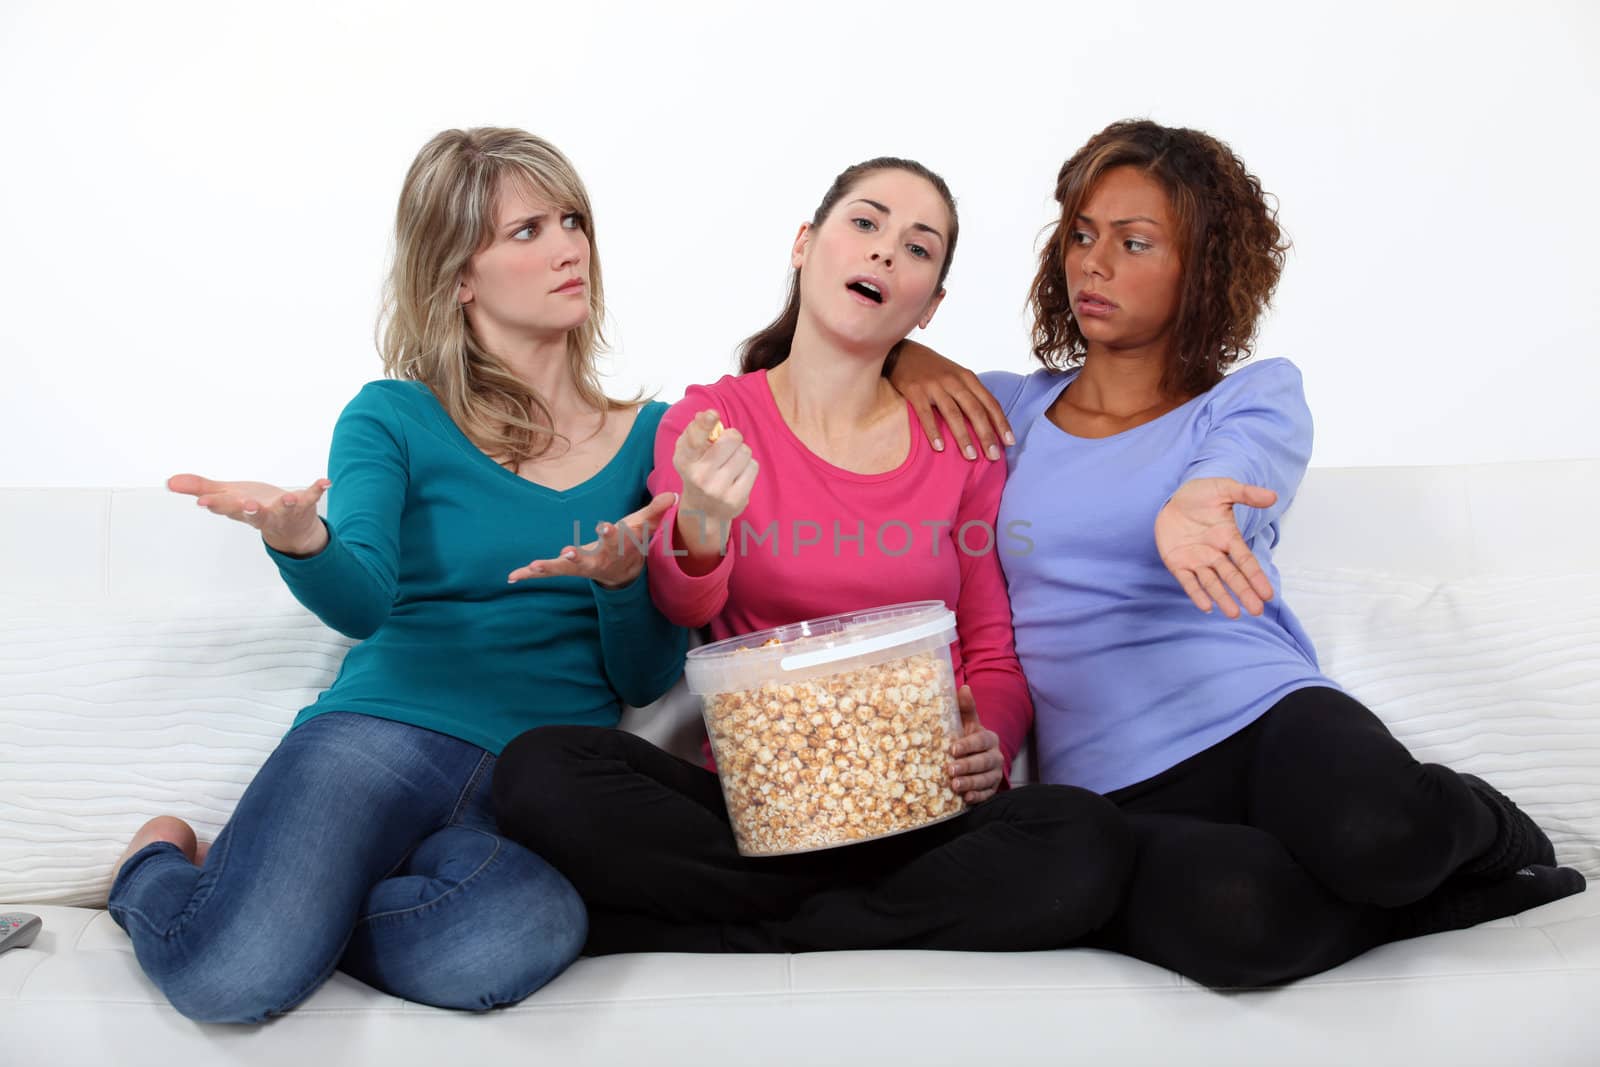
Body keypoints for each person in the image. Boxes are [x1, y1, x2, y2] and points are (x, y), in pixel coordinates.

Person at [886, 118, 1585, 986]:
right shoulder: (1005, 413)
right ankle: (1448, 909)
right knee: (1241, 926)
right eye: (1081, 233)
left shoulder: (1252, 400)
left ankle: (1485, 820)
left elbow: (1238, 467)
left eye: (1135, 242)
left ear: (1202, 270)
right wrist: (905, 355)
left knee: (1383, 839)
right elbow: (817, 351)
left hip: (1266, 718)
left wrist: (1192, 502)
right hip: (1114, 783)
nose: (1092, 263)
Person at [107, 127, 688, 1022]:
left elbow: (646, 678)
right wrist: (302, 538)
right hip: (383, 734)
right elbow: (365, 601)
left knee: (515, 935)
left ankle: (298, 910)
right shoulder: (393, 415)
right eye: (526, 231)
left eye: (572, 219)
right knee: (227, 978)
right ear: (459, 274)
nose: (569, 246)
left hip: (536, 773)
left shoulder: (656, 437)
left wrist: (619, 581)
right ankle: (153, 867)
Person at [493, 157, 1133, 956]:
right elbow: (684, 608)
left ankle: (766, 922)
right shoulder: (711, 419)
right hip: (758, 812)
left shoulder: (960, 448)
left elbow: (993, 654)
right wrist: (702, 518)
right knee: (538, 770)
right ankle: (851, 914)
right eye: (864, 223)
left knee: (1085, 835)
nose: (884, 252)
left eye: (918, 247)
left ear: (929, 306)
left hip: (918, 806)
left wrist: (989, 739)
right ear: (805, 244)